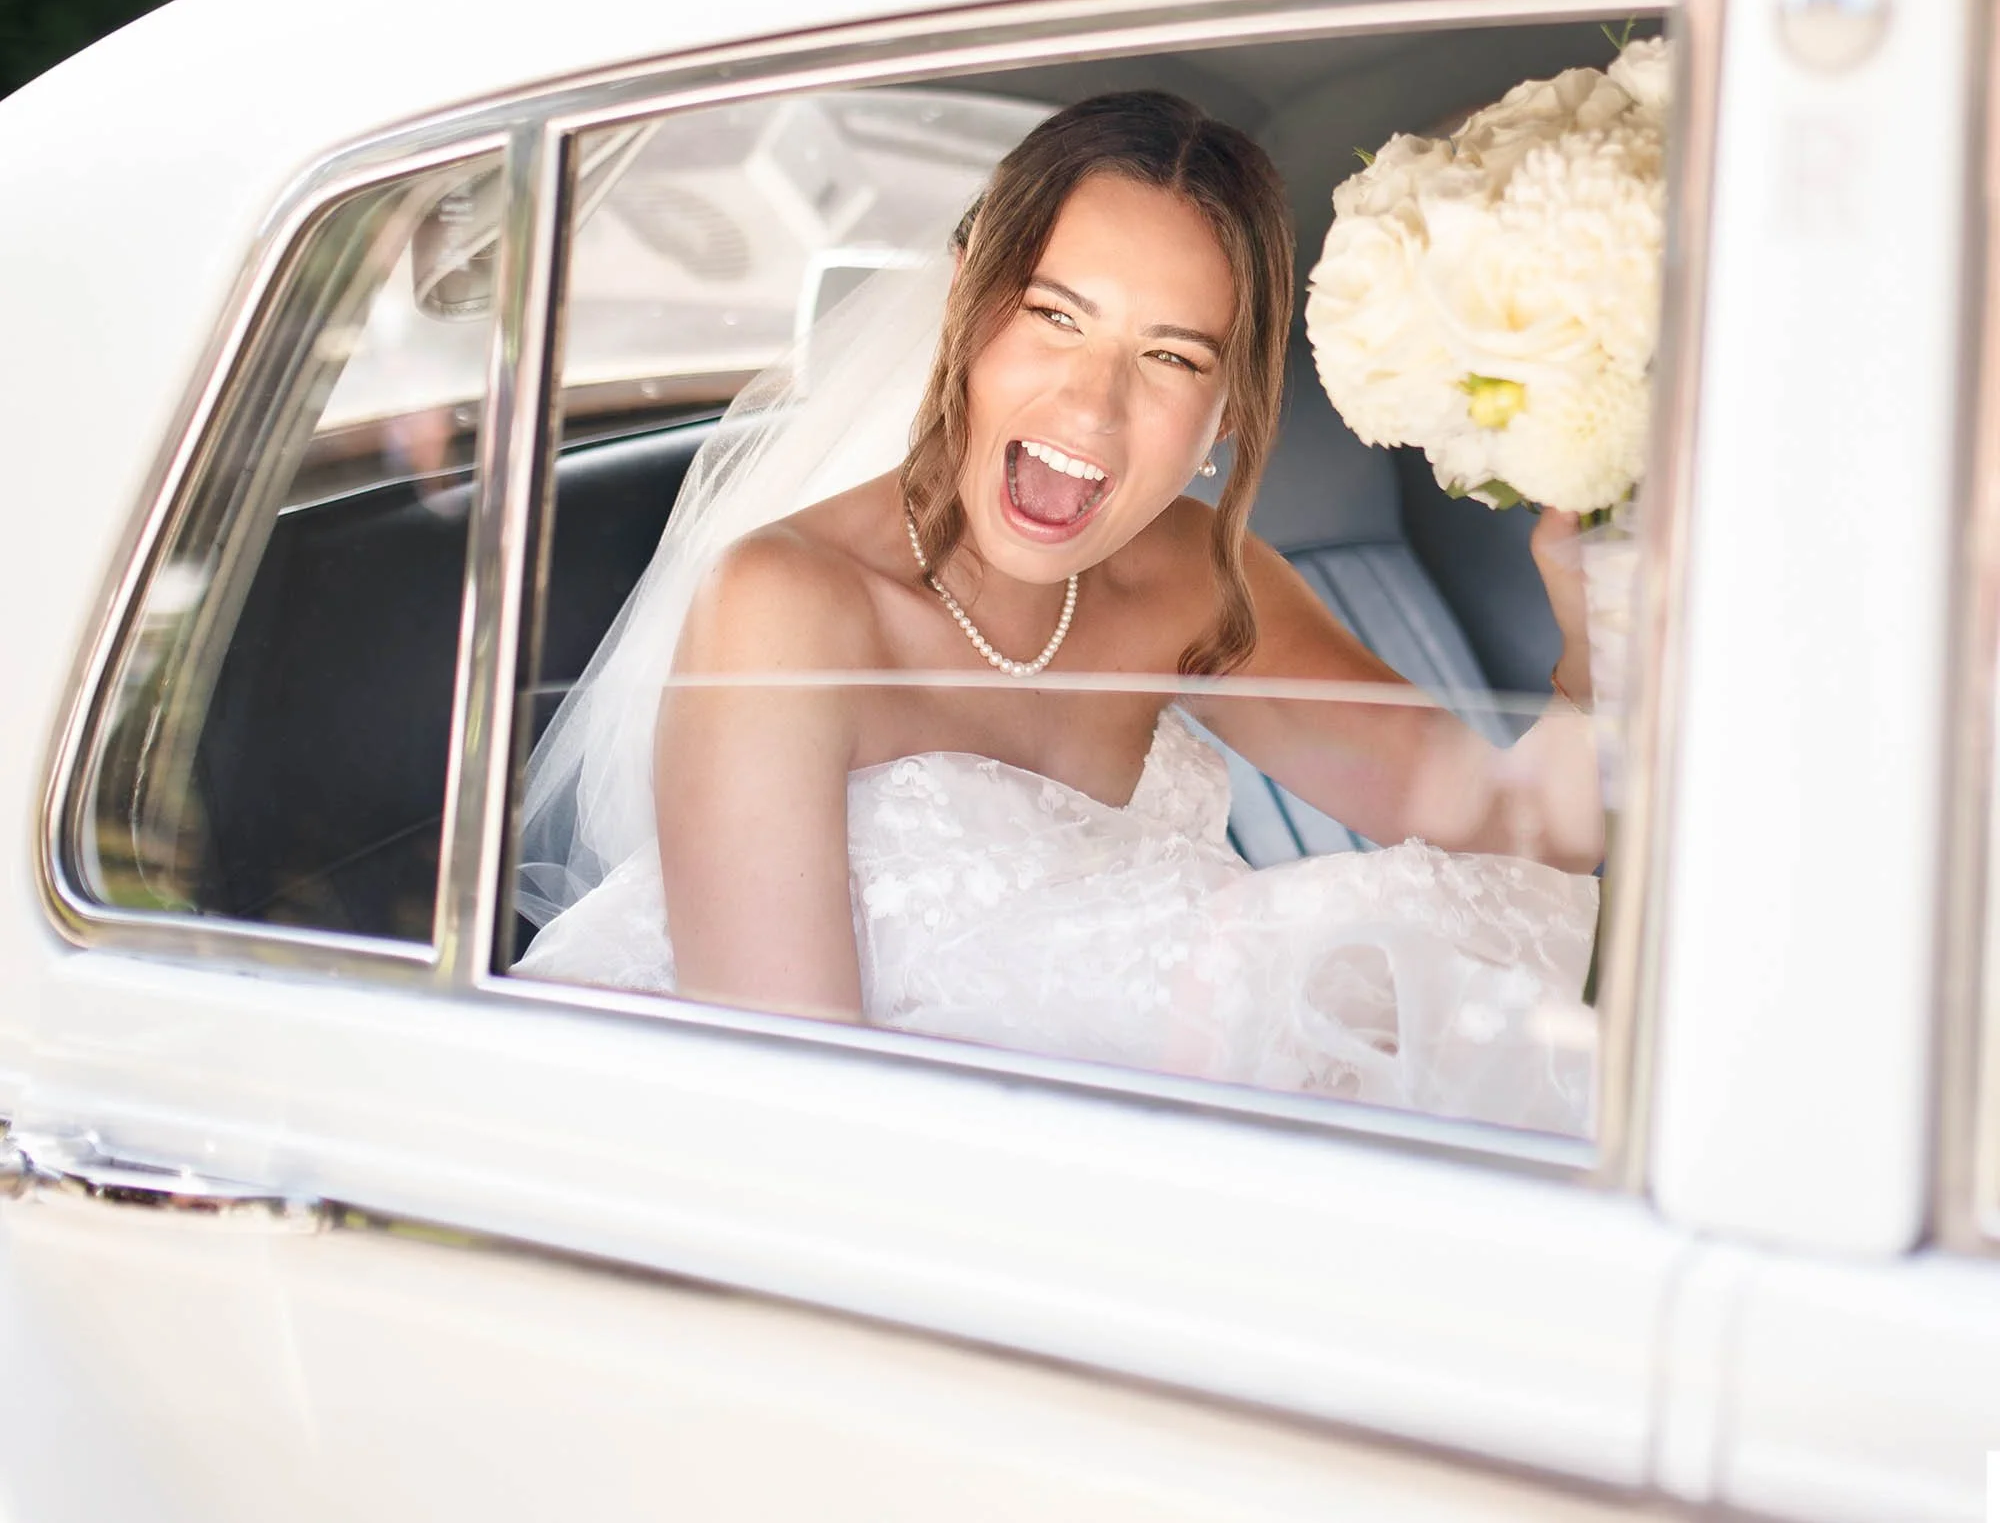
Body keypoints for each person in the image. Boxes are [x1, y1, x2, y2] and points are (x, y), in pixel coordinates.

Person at [517, 92, 1605, 1135]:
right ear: (963, 303)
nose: (1093, 401)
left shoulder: (1186, 574)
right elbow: (786, 1106)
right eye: (1052, 315)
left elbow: (1517, 832)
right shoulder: (787, 607)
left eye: (1170, 356)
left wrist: (1590, 639)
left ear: (1224, 409)